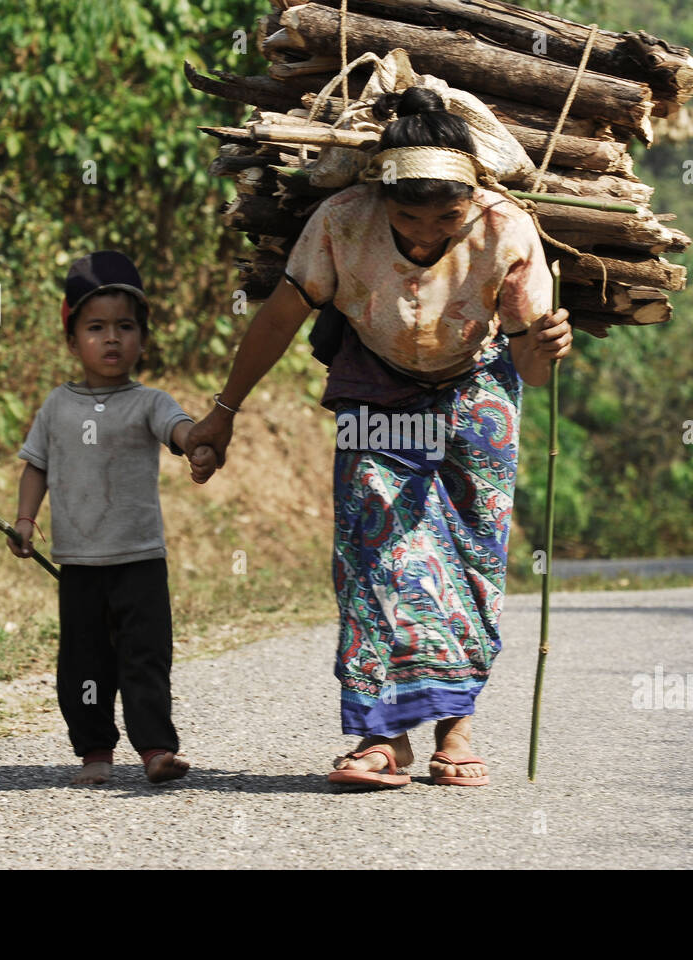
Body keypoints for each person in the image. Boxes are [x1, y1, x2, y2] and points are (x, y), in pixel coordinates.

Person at [187, 86, 572, 788]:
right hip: (378, 385)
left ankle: (457, 726)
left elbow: (532, 372)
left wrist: (546, 346)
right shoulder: (340, 222)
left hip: (474, 391)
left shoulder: (506, 230)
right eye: (407, 215)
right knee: (375, 551)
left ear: (472, 199)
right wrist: (225, 409)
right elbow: (278, 319)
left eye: (445, 217)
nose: (424, 234)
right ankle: (381, 737)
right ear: (379, 195)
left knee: (471, 551)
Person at [9, 250, 218, 785]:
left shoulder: (147, 401)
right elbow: (36, 466)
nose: (111, 339)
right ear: (72, 338)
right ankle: (95, 752)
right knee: (84, 664)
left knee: (146, 659)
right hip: (79, 563)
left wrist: (197, 444)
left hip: (140, 559)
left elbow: (178, 427)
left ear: (143, 339)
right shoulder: (57, 407)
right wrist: (26, 522)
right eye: (96, 327)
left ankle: (155, 751)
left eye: (125, 327)